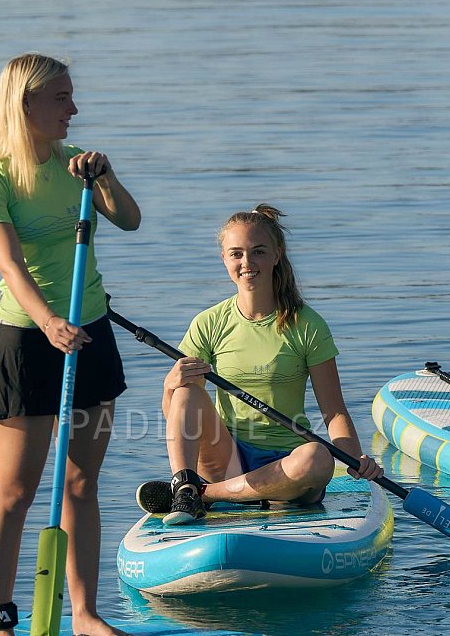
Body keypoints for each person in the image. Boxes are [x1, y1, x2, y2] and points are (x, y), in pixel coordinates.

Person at [0, 53, 140, 635]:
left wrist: (106, 177)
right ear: (26, 105)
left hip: (90, 332)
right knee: (15, 490)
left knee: (82, 483)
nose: (74, 108)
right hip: (26, 340)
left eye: (71, 96)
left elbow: (130, 220)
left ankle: (86, 615)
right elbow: (11, 266)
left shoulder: (76, 165)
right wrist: (46, 322)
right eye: (61, 98)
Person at [134, 205, 383, 525]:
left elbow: (333, 411)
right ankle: (185, 484)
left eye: (258, 252)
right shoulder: (208, 323)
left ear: (277, 255)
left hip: (289, 466)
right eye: (236, 254)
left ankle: (203, 495)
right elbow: (179, 412)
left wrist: (352, 458)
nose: (247, 263)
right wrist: (169, 386)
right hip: (227, 458)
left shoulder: (306, 325)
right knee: (185, 390)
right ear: (224, 259)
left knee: (318, 458)